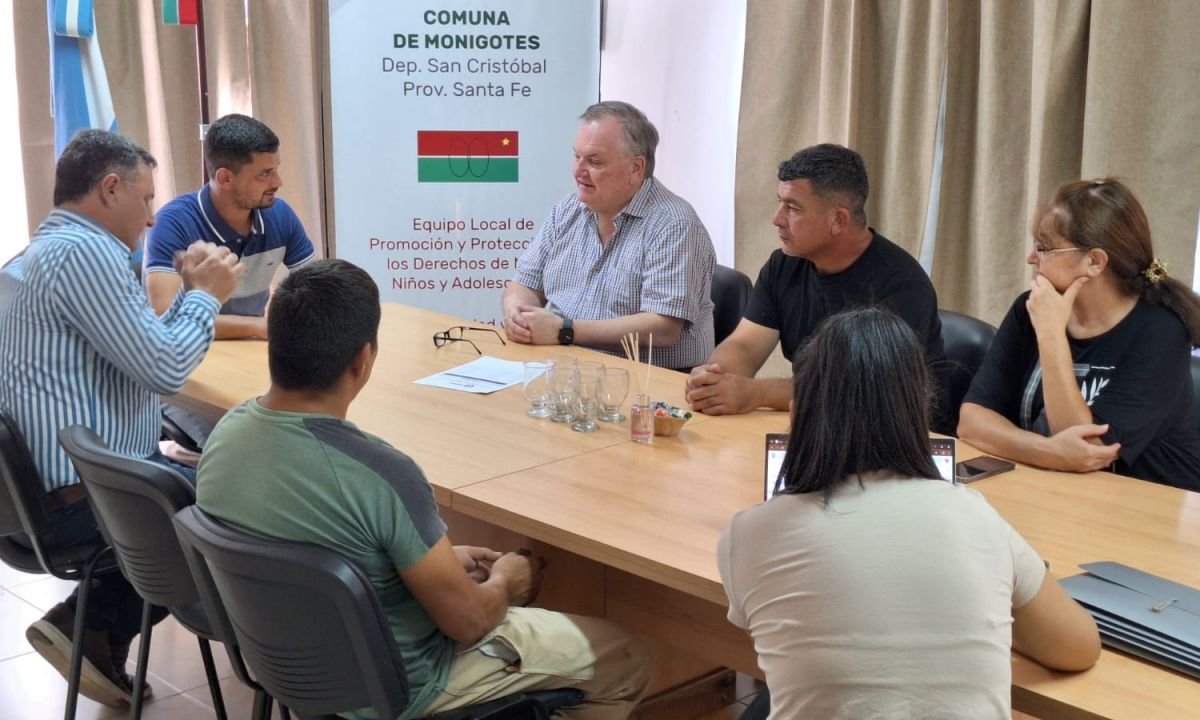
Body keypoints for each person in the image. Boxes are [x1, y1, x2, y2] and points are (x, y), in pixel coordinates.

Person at [197, 259, 650, 719]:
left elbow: (313, 542)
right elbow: (470, 621)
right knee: (624, 654)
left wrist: (423, 562)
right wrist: (506, 582)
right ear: (363, 359)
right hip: (401, 686)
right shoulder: (381, 472)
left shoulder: (225, 436)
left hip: (288, 667)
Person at [718, 307, 1101, 719]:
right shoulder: (972, 515)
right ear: (919, 414)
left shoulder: (752, 533)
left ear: (796, 416)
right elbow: (1078, 648)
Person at [0, 130, 242, 706]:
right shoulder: (86, 254)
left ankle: (93, 631)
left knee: (189, 481)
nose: (152, 216)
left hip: (30, 504)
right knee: (235, 509)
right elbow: (165, 369)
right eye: (146, 197)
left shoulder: (35, 255)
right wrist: (208, 296)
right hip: (77, 505)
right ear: (110, 188)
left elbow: (145, 348)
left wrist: (189, 292)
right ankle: (91, 623)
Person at [959, 178, 1200, 490]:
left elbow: (1088, 453)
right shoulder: (1030, 308)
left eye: (1044, 248)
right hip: (1056, 490)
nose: (1031, 258)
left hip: (1150, 501)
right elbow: (972, 421)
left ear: (1095, 261)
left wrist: (1051, 335)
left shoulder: (1162, 331)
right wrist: (1047, 452)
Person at [685, 144, 945, 419]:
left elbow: (861, 392)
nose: (777, 219)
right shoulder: (784, 265)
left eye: (792, 208)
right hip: (817, 420)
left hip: (893, 429)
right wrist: (714, 377)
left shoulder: (902, 285)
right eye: (780, 203)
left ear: (838, 220)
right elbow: (746, 345)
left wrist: (757, 393)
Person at [502, 101, 715, 370]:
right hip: (565, 368)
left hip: (647, 380)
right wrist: (517, 314)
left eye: (594, 161)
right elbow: (525, 282)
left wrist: (564, 330)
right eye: (576, 157)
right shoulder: (569, 209)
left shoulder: (674, 224)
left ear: (636, 168)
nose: (578, 171)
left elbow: (663, 328)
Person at [143, 113, 316, 341]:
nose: (277, 182)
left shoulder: (280, 215)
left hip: (252, 349)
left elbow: (316, 290)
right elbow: (164, 315)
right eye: (265, 174)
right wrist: (257, 327)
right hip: (190, 351)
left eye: (276, 169)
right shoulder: (172, 224)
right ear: (225, 178)